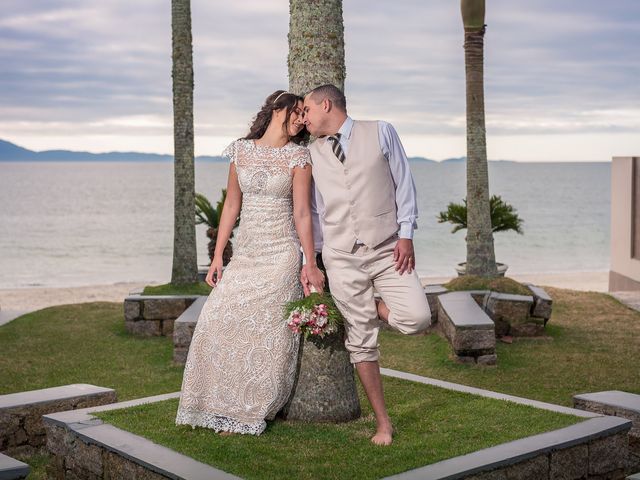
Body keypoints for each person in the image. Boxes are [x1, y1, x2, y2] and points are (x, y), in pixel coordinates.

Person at [175, 90, 325, 435]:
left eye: (306, 114)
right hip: (246, 254)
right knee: (217, 319)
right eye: (298, 112)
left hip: (281, 255)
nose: (302, 119)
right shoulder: (240, 151)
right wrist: (217, 256)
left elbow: (302, 213)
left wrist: (309, 260)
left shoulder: (299, 158)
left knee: (264, 331)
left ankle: (248, 410)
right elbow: (231, 207)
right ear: (278, 109)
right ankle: (215, 402)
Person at [300, 84, 431, 446]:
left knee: (417, 317)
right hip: (342, 257)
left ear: (326, 104)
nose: (304, 118)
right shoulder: (311, 153)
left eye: (308, 110)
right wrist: (314, 261)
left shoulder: (381, 131)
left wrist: (406, 234)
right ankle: (383, 423)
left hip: (389, 249)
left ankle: (371, 307)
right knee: (361, 342)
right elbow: (314, 210)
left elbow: (404, 183)